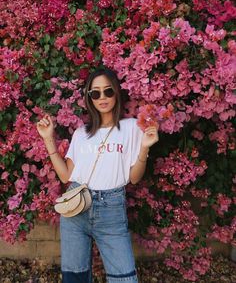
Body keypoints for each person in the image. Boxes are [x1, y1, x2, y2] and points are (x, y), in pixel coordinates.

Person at [36, 67, 159, 283]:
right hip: (75, 208)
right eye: (96, 93)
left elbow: (134, 178)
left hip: (111, 210)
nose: (102, 97)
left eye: (108, 91)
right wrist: (48, 139)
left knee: (125, 278)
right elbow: (66, 177)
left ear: (116, 93)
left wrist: (145, 148)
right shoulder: (81, 134)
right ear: (90, 97)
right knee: (75, 278)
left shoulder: (132, 128)